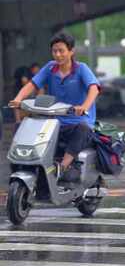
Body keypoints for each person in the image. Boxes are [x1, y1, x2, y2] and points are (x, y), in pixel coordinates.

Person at [9, 32, 100, 183]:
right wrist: (18, 99)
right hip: (55, 123)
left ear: (71, 51)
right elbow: (32, 84)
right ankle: (22, 165)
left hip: (77, 123)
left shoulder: (81, 69)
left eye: (61, 51)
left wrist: (84, 106)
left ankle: (63, 167)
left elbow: (94, 88)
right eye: (54, 51)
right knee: (21, 126)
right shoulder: (50, 68)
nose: (58, 55)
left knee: (83, 127)